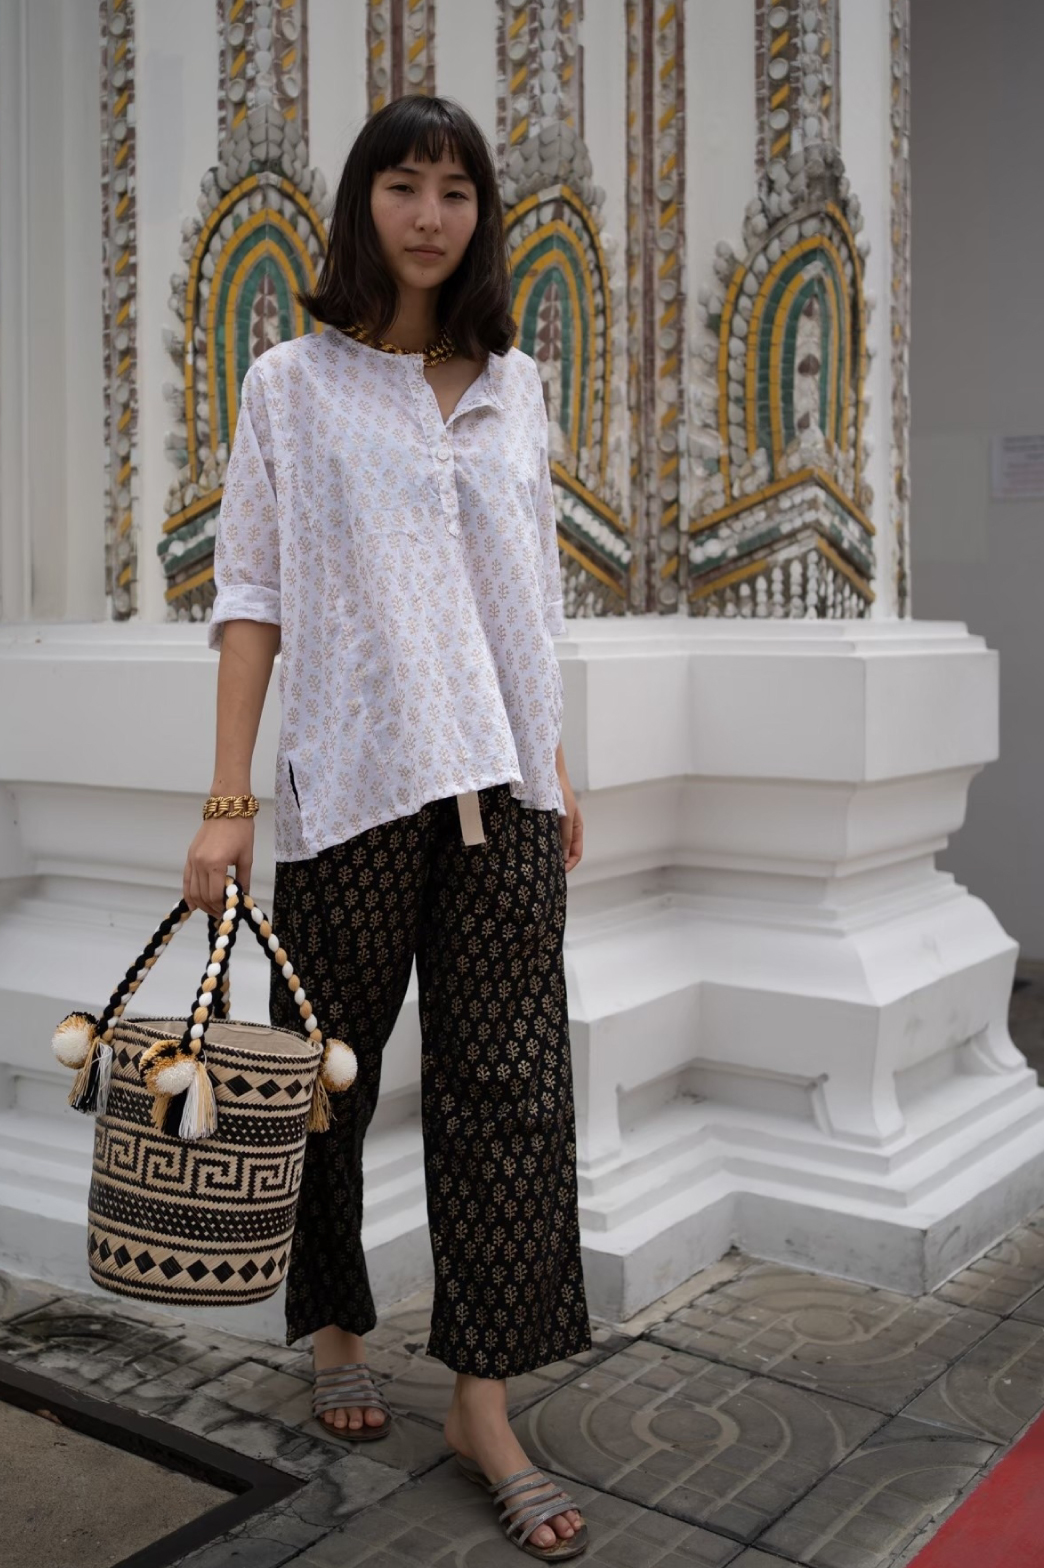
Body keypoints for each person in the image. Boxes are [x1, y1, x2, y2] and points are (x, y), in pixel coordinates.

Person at [183, 94, 591, 1559]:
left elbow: (527, 593)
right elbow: (251, 593)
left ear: (483, 216)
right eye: (405, 186)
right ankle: (337, 1325)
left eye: (457, 191)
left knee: (511, 1093)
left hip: (505, 795)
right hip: (354, 782)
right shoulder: (293, 384)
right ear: (364, 203)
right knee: (327, 1080)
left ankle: (483, 1402)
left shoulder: (515, 385)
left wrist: (555, 765)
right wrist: (228, 800)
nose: (431, 215)